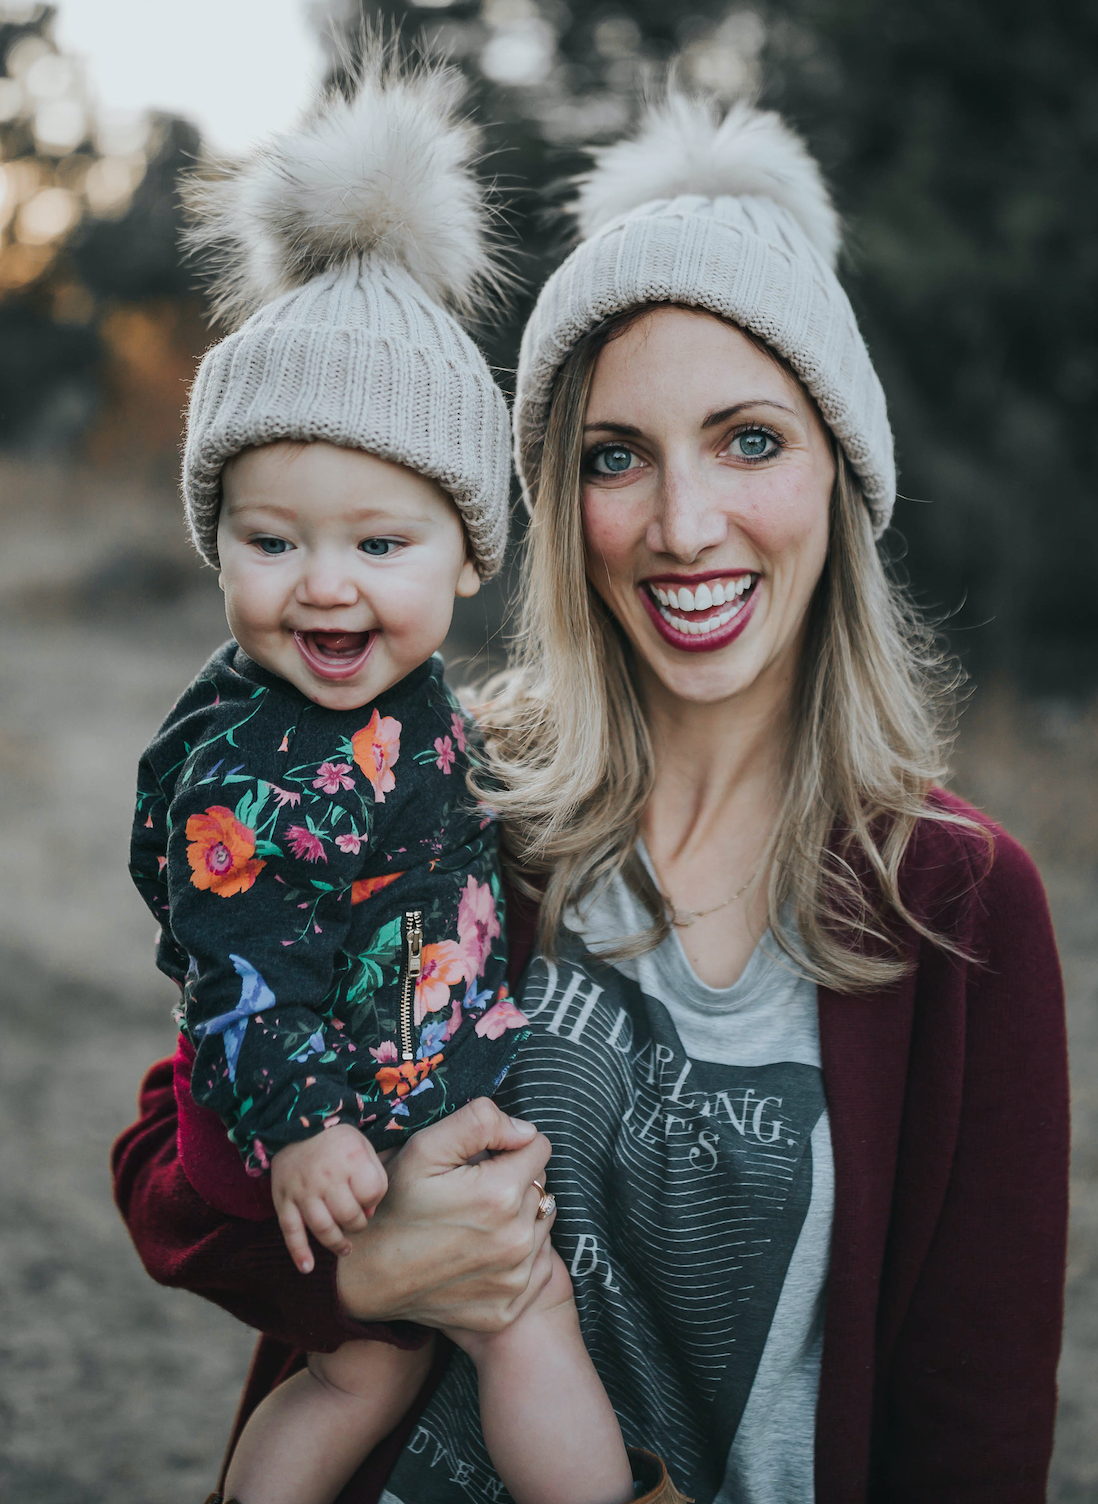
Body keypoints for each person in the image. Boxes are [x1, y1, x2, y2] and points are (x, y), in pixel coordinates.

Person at [113, 90, 1069, 1504]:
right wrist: (360, 1273)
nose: (683, 524)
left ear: (841, 470)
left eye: (749, 440)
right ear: (555, 501)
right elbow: (168, 1150)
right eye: (615, 456)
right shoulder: (460, 787)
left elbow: (972, 1424)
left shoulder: (956, 900)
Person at [125, 48, 633, 1504]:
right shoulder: (254, 762)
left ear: (469, 555)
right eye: (271, 541)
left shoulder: (411, 707)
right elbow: (232, 962)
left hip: (391, 1079)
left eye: (378, 542)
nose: (324, 584)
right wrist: (301, 1129)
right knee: (470, 1324)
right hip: (320, 1110)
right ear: (216, 542)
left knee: (392, 1358)